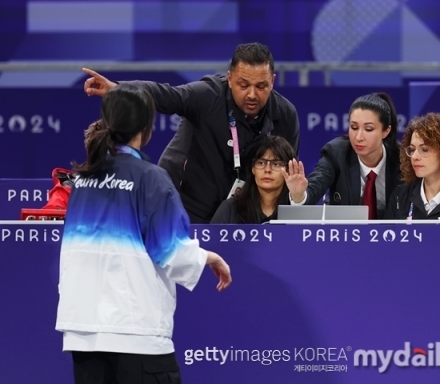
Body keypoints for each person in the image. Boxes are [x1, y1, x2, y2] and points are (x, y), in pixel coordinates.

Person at [56, 85, 232, 384]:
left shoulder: (82, 181)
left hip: (84, 334)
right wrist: (209, 256)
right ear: (146, 127)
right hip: (136, 333)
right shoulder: (152, 178)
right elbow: (172, 252)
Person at [82, 42, 300, 223]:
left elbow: (288, 175)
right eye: (244, 85)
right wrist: (118, 89)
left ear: (272, 82)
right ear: (230, 78)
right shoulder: (208, 95)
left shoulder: (285, 114)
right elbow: (167, 95)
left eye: (261, 86)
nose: (252, 94)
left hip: (238, 211)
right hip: (183, 201)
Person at [291, 92, 402, 219]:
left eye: (369, 129)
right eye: (354, 127)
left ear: (386, 131)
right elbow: (314, 188)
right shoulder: (336, 153)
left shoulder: (402, 159)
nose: (359, 137)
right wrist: (299, 195)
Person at [211, 136, 306, 223]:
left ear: (289, 169)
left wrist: (297, 197)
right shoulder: (230, 209)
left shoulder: (297, 207)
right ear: (253, 168)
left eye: (276, 164)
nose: (267, 170)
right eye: (261, 163)